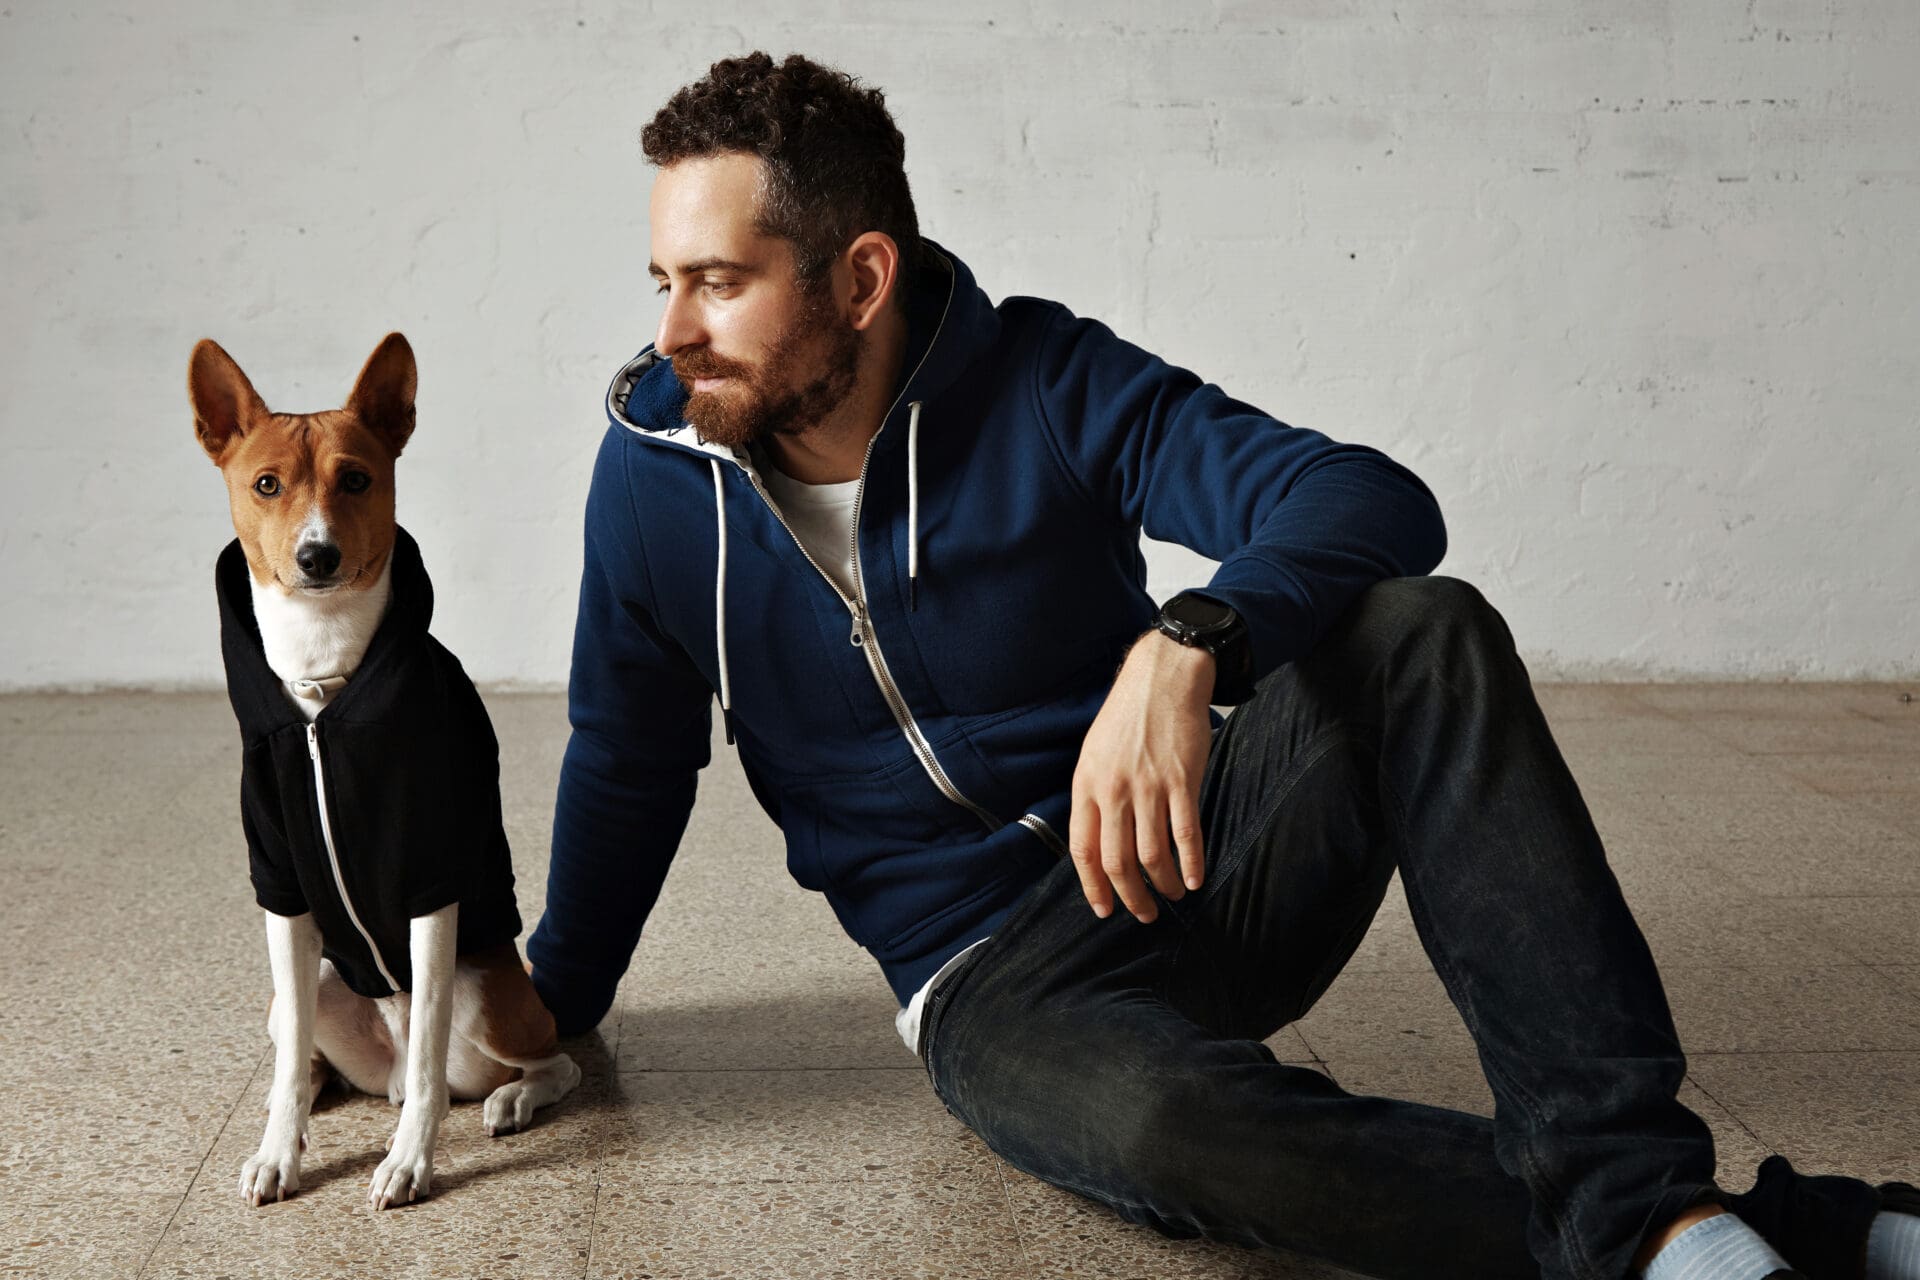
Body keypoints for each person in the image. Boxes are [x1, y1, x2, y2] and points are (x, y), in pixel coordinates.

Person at [524, 51, 1919, 1280]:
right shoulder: (653, 477)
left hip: (1201, 851)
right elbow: (626, 754)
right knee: (1171, 1135)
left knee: (1420, 626)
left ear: (861, 277)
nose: (672, 331)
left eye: (717, 282)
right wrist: (554, 997)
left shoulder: (1046, 381)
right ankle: (1711, 1231)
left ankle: (1642, 1203)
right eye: (663, 279)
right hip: (992, 980)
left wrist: (1192, 640)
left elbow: (1363, 495)